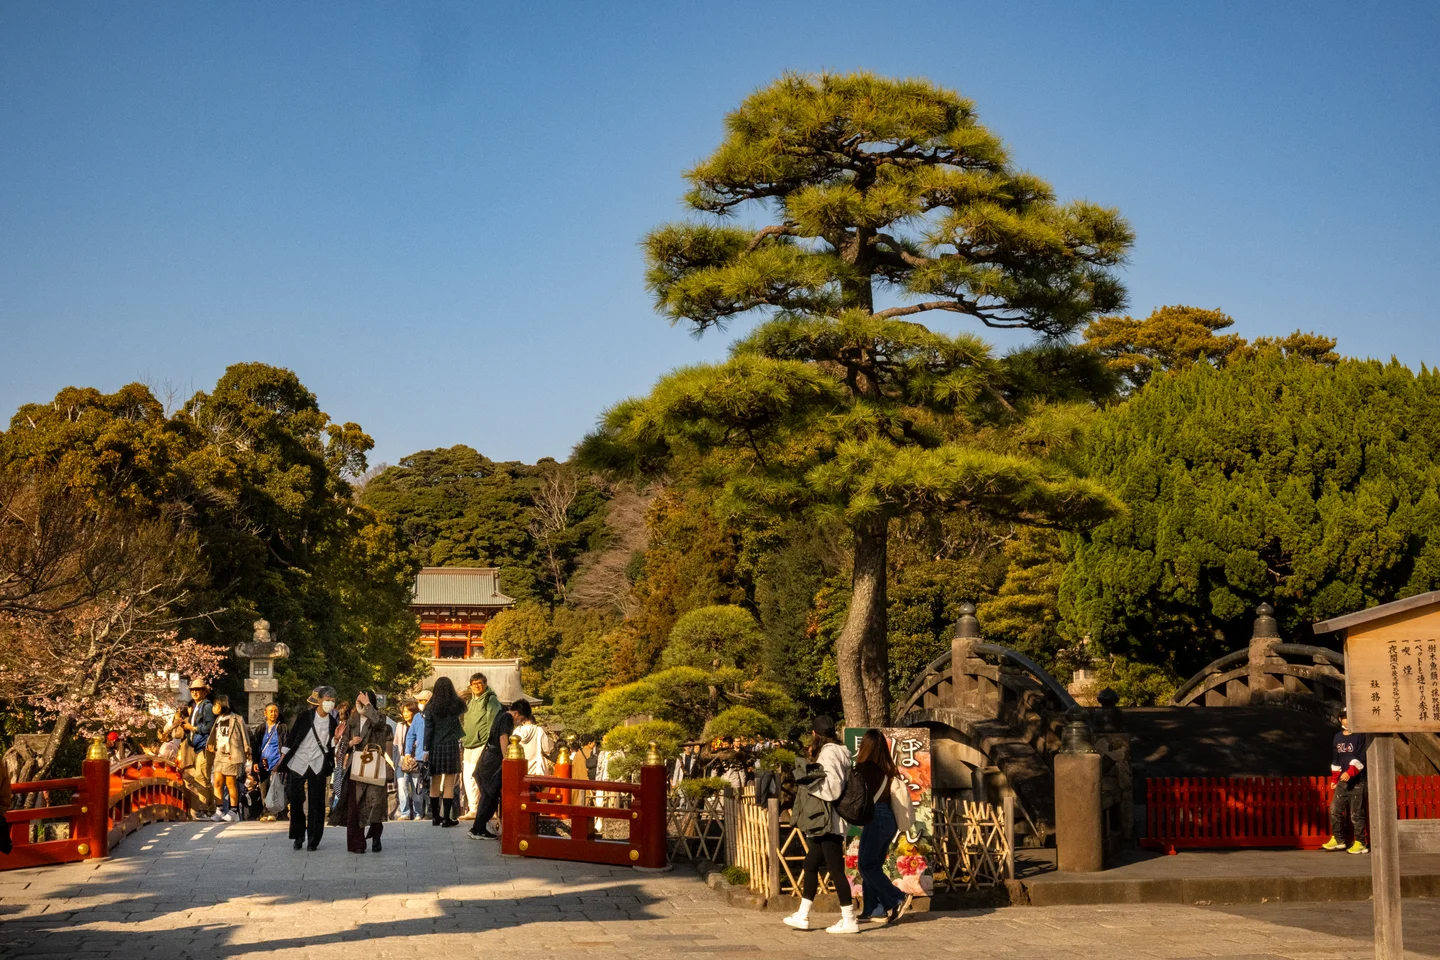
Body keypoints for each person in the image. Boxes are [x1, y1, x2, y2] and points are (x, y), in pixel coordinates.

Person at [782, 715, 858, 935]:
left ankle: (849, 918)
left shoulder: (829, 753)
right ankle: (803, 914)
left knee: (835, 870)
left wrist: (808, 786)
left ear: (815, 734)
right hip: (830, 820)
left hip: (828, 820)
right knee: (810, 864)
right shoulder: (841, 750)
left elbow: (832, 788)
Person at [853, 729, 912, 925]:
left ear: (865, 746)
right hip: (890, 818)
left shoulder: (864, 767)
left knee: (866, 864)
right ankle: (874, 909)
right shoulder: (888, 767)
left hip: (876, 817)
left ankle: (896, 897)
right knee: (873, 865)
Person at [277, 686, 339, 851]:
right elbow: (292, 737)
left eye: (332, 701)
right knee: (296, 799)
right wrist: (283, 757)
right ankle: (298, 834)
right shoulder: (305, 716)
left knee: (317, 803)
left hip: (318, 762)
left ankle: (313, 839)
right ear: (318, 701)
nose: (330, 704)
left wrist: (337, 738)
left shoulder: (333, 722)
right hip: (299, 760)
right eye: (327, 700)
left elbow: (331, 745)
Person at [340, 690, 393, 854]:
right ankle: (357, 843)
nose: (360, 703)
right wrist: (349, 743)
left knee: (375, 803)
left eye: (364, 700)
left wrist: (369, 708)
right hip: (355, 766)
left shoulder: (379, 718)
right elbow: (342, 745)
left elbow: (380, 724)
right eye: (359, 700)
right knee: (354, 807)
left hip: (374, 765)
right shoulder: (352, 720)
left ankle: (376, 836)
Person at [467, 698, 518, 840]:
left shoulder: (500, 714)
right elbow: (503, 737)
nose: (518, 722)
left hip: (487, 757)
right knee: (490, 795)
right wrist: (506, 759)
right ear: (517, 714)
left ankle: (479, 828)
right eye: (520, 718)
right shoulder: (507, 718)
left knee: (489, 796)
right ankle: (477, 829)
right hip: (493, 760)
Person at [1321, 708, 1370, 854]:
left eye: (1350, 717)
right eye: (1344, 718)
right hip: (1342, 781)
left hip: (1357, 781)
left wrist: (1350, 772)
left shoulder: (1360, 736)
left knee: (1356, 814)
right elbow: (1336, 759)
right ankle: (1338, 839)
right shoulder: (1338, 737)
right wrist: (1335, 778)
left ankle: (1361, 842)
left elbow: (1362, 757)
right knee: (1334, 809)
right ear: (1340, 719)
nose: (1347, 720)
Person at [423, 677, 465, 827]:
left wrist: (426, 749)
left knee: (435, 781)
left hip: (435, 745)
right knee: (449, 783)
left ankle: (435, 817)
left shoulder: (430, 707)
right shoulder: (457, 705)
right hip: (451, 744)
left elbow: (428, 729)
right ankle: (447, 818)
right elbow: (463, 713)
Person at [460, 673, 502, 820]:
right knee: (468, 777)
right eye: (473, 683)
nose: (476, 686)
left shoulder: (491, 700)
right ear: (470, 685)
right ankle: (473, 808)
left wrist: (489, 742)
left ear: (485, 684)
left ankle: (485, 808)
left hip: (482, 743)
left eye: (479, 683)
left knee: (480, 776)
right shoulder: (470, 701)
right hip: (469, 743)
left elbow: (493, 722)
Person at [208, 695, 251, 823]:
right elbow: (216, 736)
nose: (214, 708)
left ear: (223, 704)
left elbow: (244, 736)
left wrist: (246, 752)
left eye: (216, 705)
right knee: (217, 783)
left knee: (230, 783)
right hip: (219, 755)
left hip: (231, 754)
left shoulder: (237, 719)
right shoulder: (218, 719)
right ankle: (219, 810)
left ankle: (233, 811)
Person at [181, 679, 217, 818]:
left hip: (204, 745)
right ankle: (211, 809)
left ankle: (202, 809)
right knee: (204, 778)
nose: (195, 692)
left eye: (198, 690)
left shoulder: (206, 706)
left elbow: (209, 727)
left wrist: (193, 728)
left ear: (204, 692)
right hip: (197, 746)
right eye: (192, 690)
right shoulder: (196, 706)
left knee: (200, 777)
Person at [249, 702, 288, 822]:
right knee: (264, 787)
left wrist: (281, 762)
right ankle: (266, 811)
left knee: (278, 788)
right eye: (270, 711)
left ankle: (278, 812)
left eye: (275, 711)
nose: (273, 713)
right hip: (263, 763)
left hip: (278, 763)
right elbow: (256, 746)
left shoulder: (282, 728)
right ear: (265, 713)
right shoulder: (261, 729)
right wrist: (255, 762)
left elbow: (286, 746)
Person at [396, 698, 426, 820]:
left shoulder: (421, 722)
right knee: (402, 787)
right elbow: (396, 744)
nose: (406, 714)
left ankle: (418, 813)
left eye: (408, 711)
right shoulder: (400, 726)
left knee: (417, 789)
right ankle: (405, 813)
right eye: (404, 712)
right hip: (403, 760)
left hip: (417, 760)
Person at [509, 699, 552, 775]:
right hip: (536, 771)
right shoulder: (539, 730)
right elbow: (547, 749)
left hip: (520, 771)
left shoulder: (515, 732)